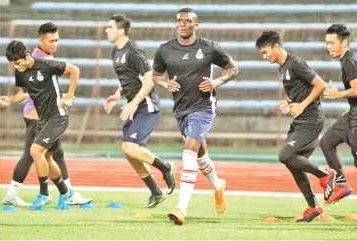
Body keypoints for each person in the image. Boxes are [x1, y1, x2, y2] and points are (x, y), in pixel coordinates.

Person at [152, 8, 237, 225]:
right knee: (200, 156)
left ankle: (181, 208)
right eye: (179, 21)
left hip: (203, 106)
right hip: (181, 108)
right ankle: (218, 186)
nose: (182, 24)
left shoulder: (208, 48)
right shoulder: (165, 50)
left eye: (188, 21)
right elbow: (156, 75)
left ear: (196, 25)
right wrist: (165, 83)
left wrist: (217, 82)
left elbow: (232, 68)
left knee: (189, 152)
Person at [0, 22, 92, 206]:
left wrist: (70, 96)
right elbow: (23, 93)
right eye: (13, 64)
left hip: (57, 116)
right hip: (42, 119)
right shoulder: (21, 70)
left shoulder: (46, 64)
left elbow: (74, 70)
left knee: (35, 152)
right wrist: (10, 100)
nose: (16, 67)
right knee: (50, 157)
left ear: (27, 56)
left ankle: (43, 194)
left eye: (18, 63)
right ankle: (66, 194)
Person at [255, 30, 336, 222]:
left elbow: (320, 85)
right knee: (292, 163)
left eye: (265, 52)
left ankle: (325, 174)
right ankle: (314, 207)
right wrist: (289, 103)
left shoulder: (296, 63)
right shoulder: (282, 68)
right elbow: (300, 93)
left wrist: (300, 105)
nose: (264, 57)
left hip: (311, 120)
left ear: (276, 46)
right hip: (301, 120)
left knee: (285, 155)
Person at [103, 14, 176, 208]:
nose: (106, 30)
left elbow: (150, 78)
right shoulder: (114, 52)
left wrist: (134, 103)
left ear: (121, 31)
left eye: (110, 27)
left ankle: (166, 168)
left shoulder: (133, 50)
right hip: (133, 105)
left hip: (146, 106)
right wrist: (117, 94)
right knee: (130, 153)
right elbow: (126, 77)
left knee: (130, 147)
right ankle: (155, 192)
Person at [321, 23, 356, 204]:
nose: (329, 47)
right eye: (327, 43)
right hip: (352, 114)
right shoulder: (346, 60)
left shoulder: (349, 61)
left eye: (332, 43)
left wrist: (338, 94)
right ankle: (342, 184)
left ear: (343, 42)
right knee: (327, 141)